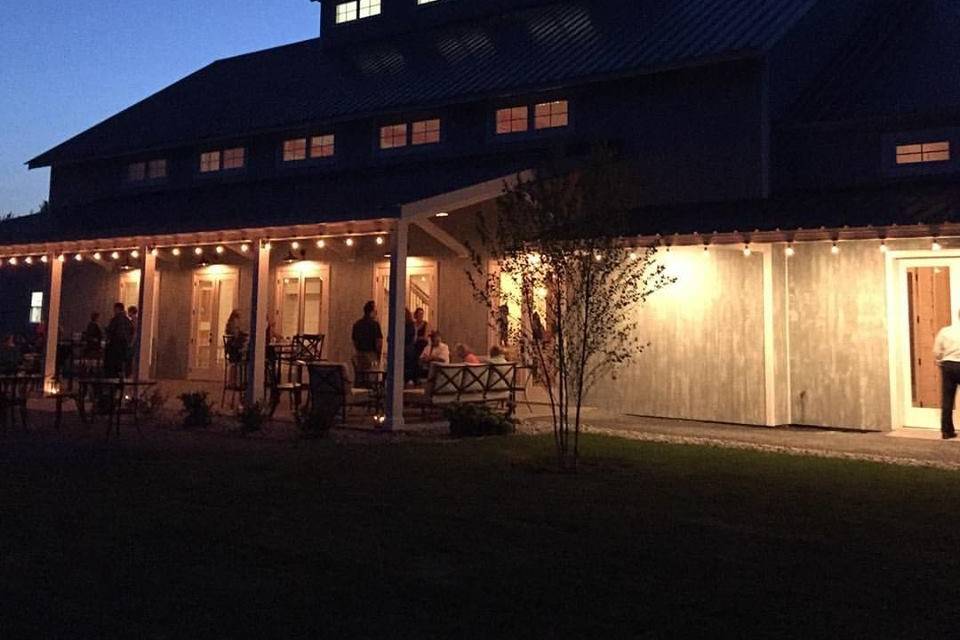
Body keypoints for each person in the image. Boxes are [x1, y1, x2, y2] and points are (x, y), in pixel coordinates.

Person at [934, 311, 960, 440]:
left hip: (948, 365)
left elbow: (937, 350)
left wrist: (939, 361)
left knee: (947, 399)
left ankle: (946, 430)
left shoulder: (945, 331)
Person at [351, 300, 383, 372]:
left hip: (360, 355)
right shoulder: (375, 325)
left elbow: (354, 341)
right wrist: (378, 355)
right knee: (372, 376)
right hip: (372, 354)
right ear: (372, 312)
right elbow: (378, 342)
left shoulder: (357, 324)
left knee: (361, 375)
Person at [104, 302, 134, 378]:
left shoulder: (116, 319)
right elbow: (131, 330)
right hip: (124, 345)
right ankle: (121, 379)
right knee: (121, 364)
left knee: (113, 364)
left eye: (114, 309)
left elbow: (111, 330)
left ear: (117, 309)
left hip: (115, 345)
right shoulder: (127, 320)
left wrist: (107, 332)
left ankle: (113, 380)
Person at [403, 308, 418, 384]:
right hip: (408, 347)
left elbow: (410, 336)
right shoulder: (411, 324)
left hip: (407, 346)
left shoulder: (409, 325)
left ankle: (408, 378)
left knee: (408, 364)